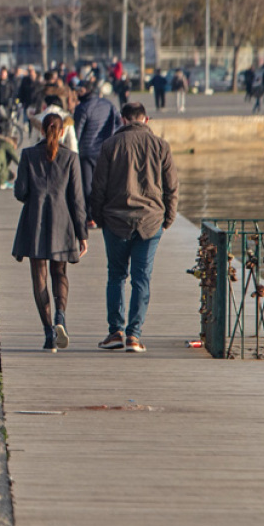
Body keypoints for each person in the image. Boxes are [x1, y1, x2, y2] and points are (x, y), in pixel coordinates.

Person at [89, 103, 179, 354]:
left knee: (116, 276)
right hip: (150, 221)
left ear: (122, 119)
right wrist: (168, 219)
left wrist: (99, 217)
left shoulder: (110, 145)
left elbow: (98, 188)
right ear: (146, 119)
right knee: (142, 278)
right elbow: (172, 187)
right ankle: (134, 335)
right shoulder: (161, 146)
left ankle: (115, 331)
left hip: (116, 220)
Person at [12, 114, 89, 352]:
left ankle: (48, 334)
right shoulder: (71, 157)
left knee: (39, 278)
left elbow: (20, 192)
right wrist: (82, 233)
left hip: (34, 222)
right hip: (62, 222)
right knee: (60, 273)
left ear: (42, 131)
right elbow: (77, 199)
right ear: (63, 132)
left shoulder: (27, 155)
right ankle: (60, 317)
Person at [73, 83, 122, 226]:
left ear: (87, 91)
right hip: (105, 150)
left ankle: (91, 217)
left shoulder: (82, 108)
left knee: (88, 185)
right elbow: (118, 124)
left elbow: (77, 133)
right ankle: (104, 215)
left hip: (86, 152)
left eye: (79, 90)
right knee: (103, 184)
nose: (77, 93)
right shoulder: (109, 105)